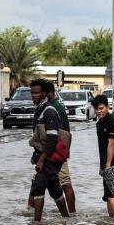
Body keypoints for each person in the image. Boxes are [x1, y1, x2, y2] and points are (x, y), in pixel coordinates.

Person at [29, 79, 70, 222]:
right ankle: (66, 219)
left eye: (37, 93)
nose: (33, 95)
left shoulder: (49, 111)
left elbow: (52, 138)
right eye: (32, 92)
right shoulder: (39, 109)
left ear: (45, 93)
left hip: (50, 158)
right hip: (44, 156)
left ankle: (37, 224)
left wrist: (41, 160)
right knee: (54, 188)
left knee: (39, 185)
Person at [92, 95, 114, 217]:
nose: (99, 111)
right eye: (97, 109)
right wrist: (102, 166)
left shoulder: (111, 121)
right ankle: (112, 224)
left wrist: (108, 165)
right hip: (106, 164)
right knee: (108, 195)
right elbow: (102, 146)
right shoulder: (99, 123)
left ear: (108, 107)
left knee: (112, 195)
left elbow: (111, 144)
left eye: (101, 108)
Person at [46, 84, 76, 214]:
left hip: (57, 153)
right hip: (46, 153)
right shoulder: (47, 107)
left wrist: (63, 154)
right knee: (37, 183)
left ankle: (72, 213)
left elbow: (65, 133)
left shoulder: (56, 107)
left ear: (51, 93)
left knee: (65, 182)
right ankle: (31, 215)